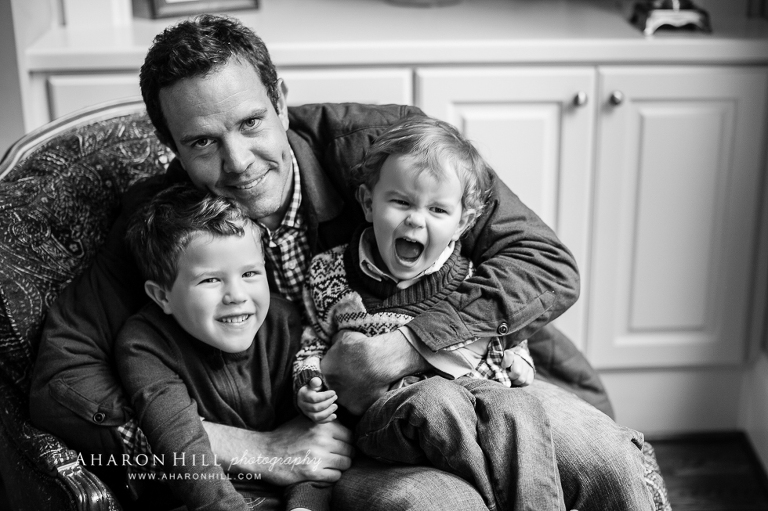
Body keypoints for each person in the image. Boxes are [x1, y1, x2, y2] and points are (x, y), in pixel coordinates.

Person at [28, 13, 649, 511]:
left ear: (280, 101)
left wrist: (406, 347)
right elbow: (61, 378)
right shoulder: (163, 223)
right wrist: (247, 446)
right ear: (173, 148)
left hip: (474, 377)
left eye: (251, 122)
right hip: (351, 442)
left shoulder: (390, 152)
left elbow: (543, 262)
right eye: (202, 142)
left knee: (607, 463)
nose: (238, 161)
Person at [294, 114, 564, 511]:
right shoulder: (329, 272)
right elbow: (311, 342)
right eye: (401, 202)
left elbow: (499, 328)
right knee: (434, 398)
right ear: (368, 203)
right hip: (385, 418)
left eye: (437, 209)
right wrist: (309, 386)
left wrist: (517, 357)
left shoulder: (469, 278)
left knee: (521, 406)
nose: (415, 219)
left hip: (472, 403)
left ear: (462, 223)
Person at [116, 184, 326, 511]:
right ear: (162, 296)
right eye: (210, 280)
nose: (237, 295)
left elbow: (313, 446)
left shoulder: (283, 323)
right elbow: (182, 447)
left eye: (250, 273)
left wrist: (304, 506)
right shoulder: (144, 344)